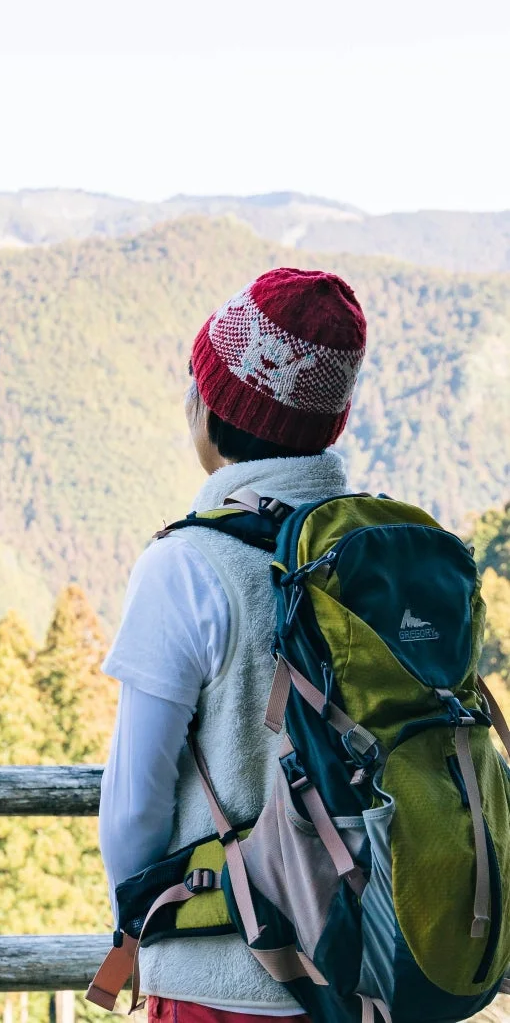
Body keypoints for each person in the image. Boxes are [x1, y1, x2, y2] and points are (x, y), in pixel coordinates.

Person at [99, 267, 368, 1023]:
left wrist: (135, 927)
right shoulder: (378, 554)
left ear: (212, 408)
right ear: (333, 424)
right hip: (370, 970)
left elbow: (134, 812)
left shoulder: (186, 566)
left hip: (226, 978)